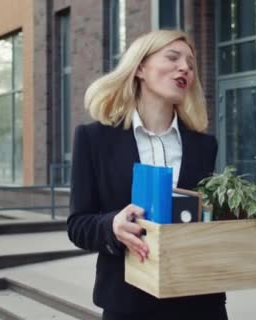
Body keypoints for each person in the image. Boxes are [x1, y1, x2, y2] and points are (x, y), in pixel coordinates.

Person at [67, 30, 226, 320]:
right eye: (173, 57)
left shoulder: (204, 146)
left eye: (191, 64)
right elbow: (78, 224)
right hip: (128, 302)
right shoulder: (94, 139)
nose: (185, 68)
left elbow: (207, 215)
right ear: (140, 68)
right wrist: (112, 225)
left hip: (200, 302)